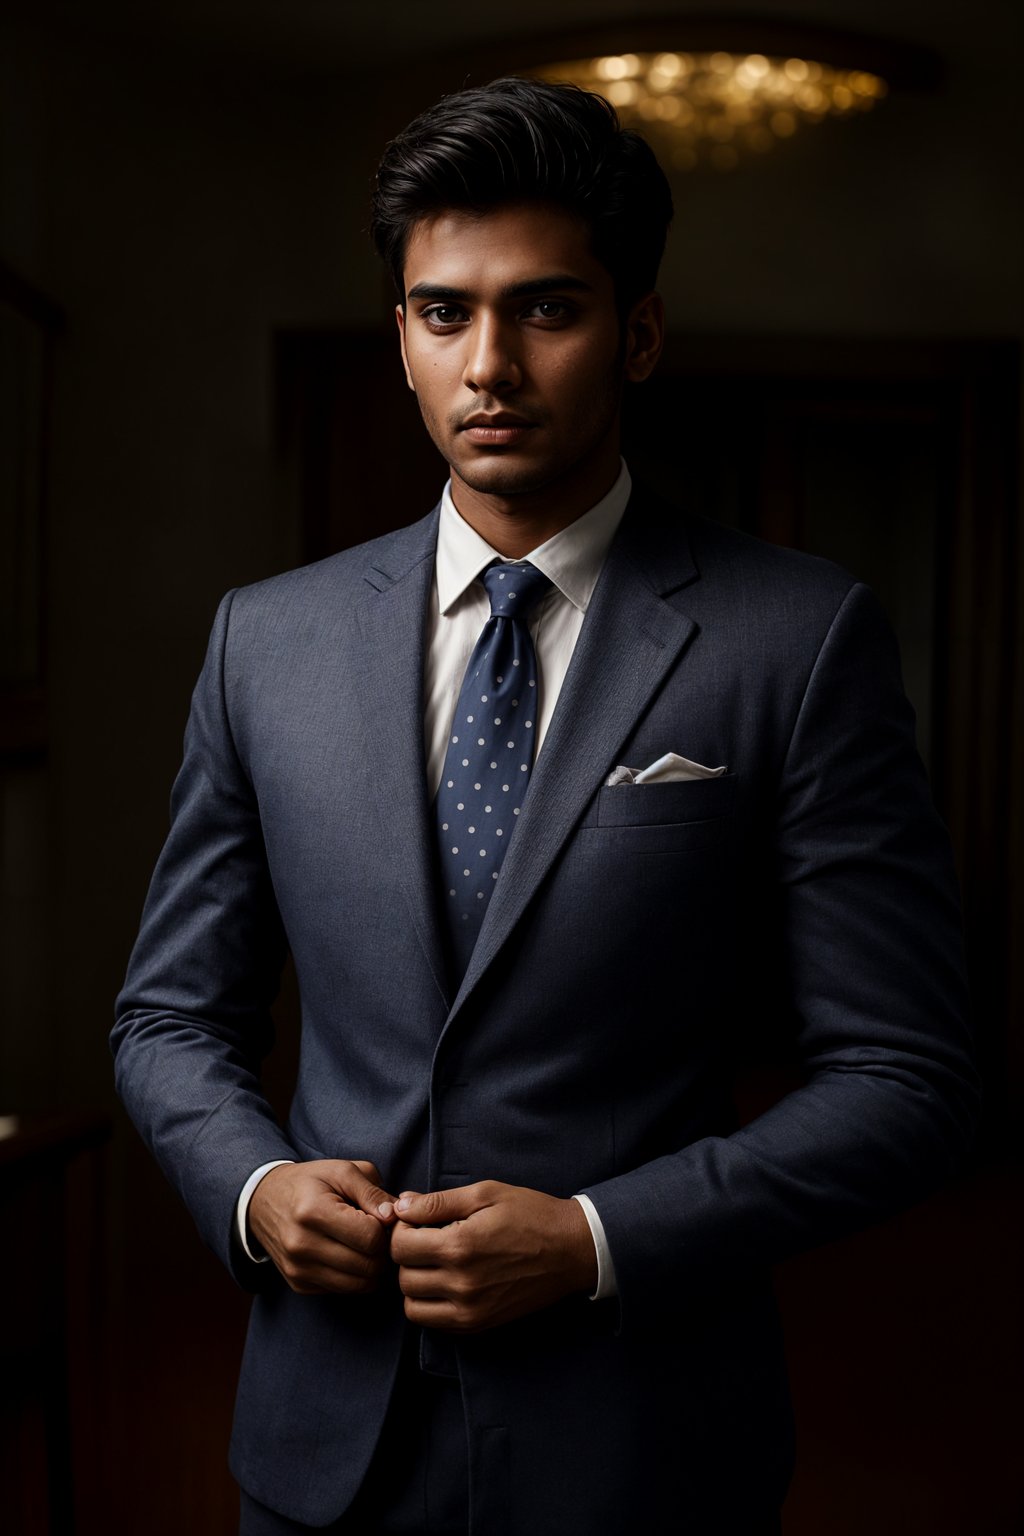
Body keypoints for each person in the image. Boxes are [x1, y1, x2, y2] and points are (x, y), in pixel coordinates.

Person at [113, 77, 978, 1535]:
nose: (490, 364)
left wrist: (592, 1241)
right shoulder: (266, 639)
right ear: (401, 339)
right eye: (443, 314)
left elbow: (908, 1079)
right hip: (325, 1445)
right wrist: (255, 1187)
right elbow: (166, 1017)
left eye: (548, 310)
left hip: (642, 1445)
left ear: (636, 334)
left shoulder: (796, 637)